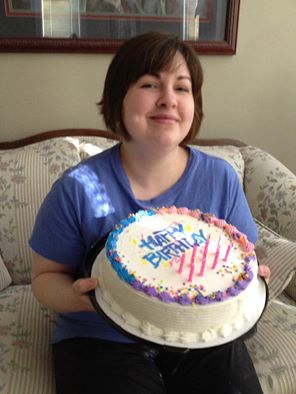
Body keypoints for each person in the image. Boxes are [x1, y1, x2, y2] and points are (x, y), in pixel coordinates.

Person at [30, 31, 270, 394]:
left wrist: (251, 278)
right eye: (150, 84)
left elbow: (241, 257)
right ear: (118, 99)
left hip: (199, 336)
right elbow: (45, 277)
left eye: (183, 87)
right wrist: (83, 299)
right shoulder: (79, 188)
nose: (168, 100)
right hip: (100, 338)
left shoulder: (220, 178)